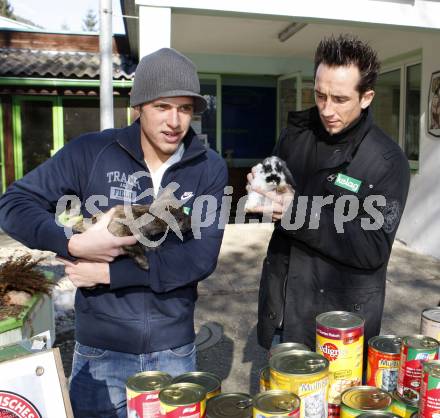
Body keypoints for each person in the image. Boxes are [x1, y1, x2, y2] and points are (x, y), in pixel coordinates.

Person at [0, 48, 227, 417]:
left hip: (174, 350)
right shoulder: (92, 152)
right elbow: (14, 204)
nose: (175, 121)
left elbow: (200, 257)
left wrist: (107, 272)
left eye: (184, 108)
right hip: (101, 353)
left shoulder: (207, 167)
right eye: (162, 107)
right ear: (139, 106)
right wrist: (73, 242)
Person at [248, 35, 410, 352]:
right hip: (284, 308)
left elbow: (372, 248)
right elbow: (278, 189)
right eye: (320, 95)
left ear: (366, 98)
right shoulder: (296, 134)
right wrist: (264, 190)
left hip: (340, 323)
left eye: (340, 99)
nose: (326, 109)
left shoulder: (387, 161)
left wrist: (297, 212)